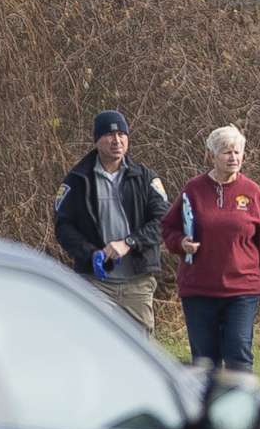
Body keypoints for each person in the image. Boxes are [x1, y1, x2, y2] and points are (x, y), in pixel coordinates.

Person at [163, 124, 260, 379]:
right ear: (212, 156)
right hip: (199, 289)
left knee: (238, 352)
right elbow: (168, 228)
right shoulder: (193, 189)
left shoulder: (251, 192)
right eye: (227, 152)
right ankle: (205, 413)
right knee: (205, 362)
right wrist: (180, 242)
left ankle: (241, 411)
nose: (234, 158)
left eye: (238, 152)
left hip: (242, 289)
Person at [53, 109, 172, 328]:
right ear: (97, 140)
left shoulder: (146, 178)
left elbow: (164, 222)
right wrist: (91, 253)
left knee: (139, 351)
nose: (116, 140)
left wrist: (129, 242)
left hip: (138, 282)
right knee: (94, 345)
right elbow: (63, 227)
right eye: (109, 135)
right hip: (95, 282)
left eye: (121, 135)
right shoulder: (78, 180)